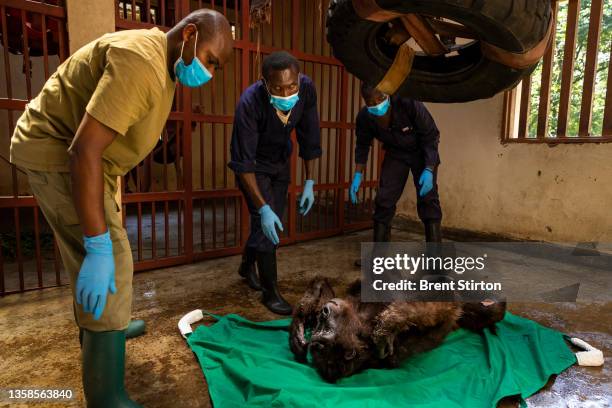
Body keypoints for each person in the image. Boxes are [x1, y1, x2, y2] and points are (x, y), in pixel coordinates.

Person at [10, 9, 233, 407]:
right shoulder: (143, 65)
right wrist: (97, 244)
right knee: (107, 258)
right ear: (190, 35)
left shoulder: (161, 63)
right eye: (211, 60)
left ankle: (104, 332)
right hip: (57, 154)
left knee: (104, 261)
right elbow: (84, 150)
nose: (209, 73)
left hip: (79, 157)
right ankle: (105, 394)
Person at [229, 51, 321, 315]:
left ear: (299, 79)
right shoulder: (249, 102)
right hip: (253, 167)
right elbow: (243, 162)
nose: (285, 93)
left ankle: (247, 267)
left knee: (270, 222)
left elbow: (309, 136)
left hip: (280, 162)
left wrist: (310, 181)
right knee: (265, 220)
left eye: (291, 86)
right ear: (264, 82)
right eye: (277, 88)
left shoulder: (307, 90)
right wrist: (263, 207)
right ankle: (270, 293)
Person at [350, 83, 442, 266]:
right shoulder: (365, 117)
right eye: (370, 102)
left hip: (422, 153)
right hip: (396, 154)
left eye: (380, 98)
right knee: (384, 198)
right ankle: (378, 257)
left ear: (388, 95)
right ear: (364, 102)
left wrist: (429, 169)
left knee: (428, 199)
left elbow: (431, 136)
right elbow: (362, 145)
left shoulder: (409, 102)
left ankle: (436, 257)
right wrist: (357, 175)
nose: (376, 104)